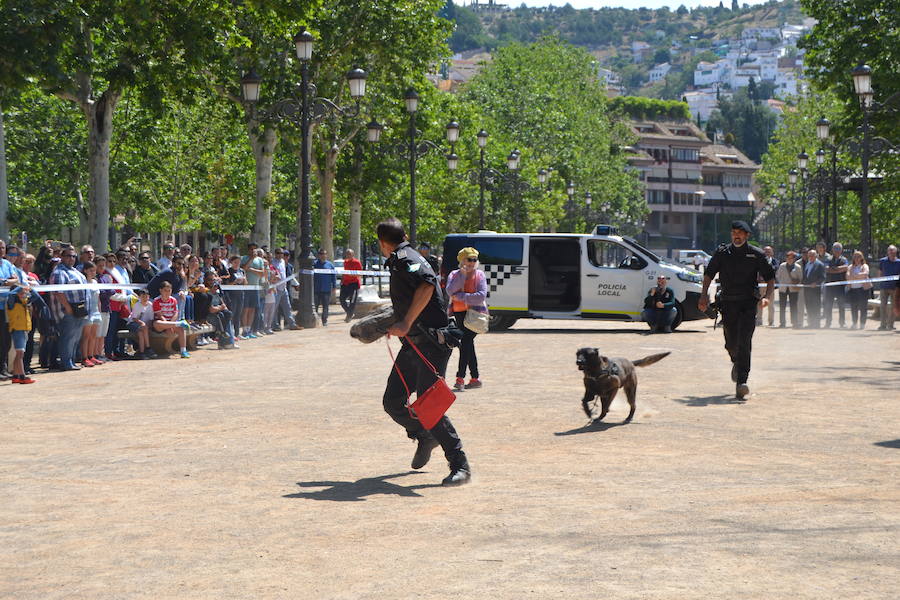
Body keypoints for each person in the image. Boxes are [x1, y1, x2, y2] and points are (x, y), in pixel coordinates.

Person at [377, 218, 471, 486]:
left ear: (383, 243)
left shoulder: (406, 257)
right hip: (414, 344)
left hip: (432, 343)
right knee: (393, 401)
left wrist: (405, 323)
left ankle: (460, 464)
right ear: (404, 234)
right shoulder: (401, 257)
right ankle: (424, 433)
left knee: (429, 403)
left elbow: (427, 285)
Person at [697, 221, 774, 399]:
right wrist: (703, 295)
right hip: (728, 303)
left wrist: (767, 297)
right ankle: (735, 360)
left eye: (740, 233)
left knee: (745, 341)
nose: (736, 235)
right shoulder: (722, 253)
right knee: (731, 343)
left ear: (747, 235)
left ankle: (742, 382)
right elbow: (709, 274)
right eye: (733, 232)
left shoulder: (756, 254)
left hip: (748, 304)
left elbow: (770, 278)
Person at [446, 246, 488, 391]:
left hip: (475, 315)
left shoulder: (480, 275)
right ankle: (474, 378)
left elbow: (481, 295)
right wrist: (462, 275)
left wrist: (462, 297)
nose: (472, 262)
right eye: (469, 259)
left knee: (465, 343)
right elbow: (450, 291)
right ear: (462, 260)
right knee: (467, 344)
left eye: (474, 259)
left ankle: (460, 378)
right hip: (459, 314)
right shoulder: (454, 274)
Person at [49, 247, 89, 371]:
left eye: (73, 256)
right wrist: (68, 307)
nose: (71, 258)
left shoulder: (76, 271)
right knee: (67, 338)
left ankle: (71, 361)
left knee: (75, 338)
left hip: (79, 310)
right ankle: (66, 363)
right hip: (66, 311)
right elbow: (58, 292)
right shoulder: (59, 272)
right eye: (68, 256)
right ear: (62, 257)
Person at [6, 281, 35, 383]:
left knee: (19, 354)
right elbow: (11, 295)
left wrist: (30, 289)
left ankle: (16, 375)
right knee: (20, 354)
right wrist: (18, 289)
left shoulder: (24, 302)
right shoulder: (11, 302)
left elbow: (35, 297)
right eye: (21, 293)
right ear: (16, 293)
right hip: (17, 330)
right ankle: (22, 376)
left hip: (24, 329)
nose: (24, 295)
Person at [152, 281, 191, 358]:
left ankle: (183, 351)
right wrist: (169, 326)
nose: (167, 292)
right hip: (162, 324)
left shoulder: (173, 300)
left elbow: (175, 313)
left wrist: (171, 325)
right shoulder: (156, 300)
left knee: (181, 329)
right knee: (157, 323)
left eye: (169, 290)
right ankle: (178, 323)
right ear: (161, 290)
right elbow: (160, 315)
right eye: (165, 290)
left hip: (172, 323)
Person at [823, 242, 848, 328]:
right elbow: (826, 269)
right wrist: (838, 269)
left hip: (841, 286)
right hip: (830, 286)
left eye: (838, 249)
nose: (837, 251)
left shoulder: (844, 259)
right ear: (832, 250)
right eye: (835, 249)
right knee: (828, 305)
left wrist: (833, 269)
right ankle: (828, 323)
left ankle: (842, 323)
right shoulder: (828, 259)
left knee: (841, 305)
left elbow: (846, 268)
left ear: (841, 250)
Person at [775, 250, 803, 328]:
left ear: (794, 259)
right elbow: (778, 276)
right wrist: (782, 282)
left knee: (794, 306)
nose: (789, 259)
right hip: (783, 288)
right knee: (782, 306)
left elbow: (800, 278)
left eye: (791, 258)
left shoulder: (798, 267)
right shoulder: (782, 266)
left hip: (793, 289)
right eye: (788, 257)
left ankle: (794, 322)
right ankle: (782, 322)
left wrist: (795, 283)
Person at [846, 250, 871, 330]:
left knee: (863, 307)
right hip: (853, 290)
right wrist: (857, 276)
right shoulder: (850, 267)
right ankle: (854, 323)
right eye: (855, 256)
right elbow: (847, 277)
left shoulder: (865, 266)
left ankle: (862, 324)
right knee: (854, 307)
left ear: (861, 258)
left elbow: (865, 274)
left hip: (863, 290)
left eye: (858, 256)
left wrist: (854, 276)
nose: (856, 258)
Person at [802, 248, 826, 328]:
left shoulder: (820, 265)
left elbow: (823, 277)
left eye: (812, 255)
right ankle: (810, 323)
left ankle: (816, 324)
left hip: (815, 290)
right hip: (807, 290)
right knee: (809, 307)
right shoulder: (807, 264)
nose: (810, 257)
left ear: (816, 256)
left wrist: (816, 283)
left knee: (816, 307)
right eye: (809, 256)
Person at [128, 288, 156, 358]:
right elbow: (134, 318)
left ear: (149, 297)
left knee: (141, 333)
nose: (145, 298)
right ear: (139, 297)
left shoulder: (150, 305)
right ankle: (148, 347)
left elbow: (151, 319)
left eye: (146, 296)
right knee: (144, 327)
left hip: (144, 325)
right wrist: (142, 324)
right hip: (132, 323)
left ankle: (141, 352)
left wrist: (148, 325)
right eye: (143, 296)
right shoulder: (137, 305)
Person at [313, 249, 337, 326]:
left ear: (326, 255)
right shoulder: (314, 264)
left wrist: (334, 286)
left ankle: (324, 320)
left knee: (325, 306)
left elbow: (334, 276)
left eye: (324, 254)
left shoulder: (330, 265)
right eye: (321, 254)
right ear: (319, 255)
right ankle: (314, 320)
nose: (323, 255)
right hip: (316, 289)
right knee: (315, 306)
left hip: (326, 289)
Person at [878, 245, 899, 330]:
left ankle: (890, 325)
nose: (891, 252)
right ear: (887, 252)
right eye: (890, 251)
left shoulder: (899, 262)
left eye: (893, 251)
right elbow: (880, 272)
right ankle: (882, 325)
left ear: (896, 252)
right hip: (884, 287)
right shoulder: (882, 261)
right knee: (883, 306)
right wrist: (880, 281)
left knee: (894, 306)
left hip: (895, 288)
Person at [756, 246, 778, 326]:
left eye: (769, 251)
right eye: (765, 251)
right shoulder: (759, 261)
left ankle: (771, 321)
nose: (767, 253)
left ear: (772, 252)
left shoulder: (775, 261)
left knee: (771, 304)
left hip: (771, 286)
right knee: (759, 303)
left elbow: (775, 269)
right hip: (761, 285)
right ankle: (759, 320)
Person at [340, 248, 363, 322]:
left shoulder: (357, 262)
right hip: (345, 283)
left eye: (349, 254)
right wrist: (342, 280)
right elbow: (344, 272)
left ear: (353, 255)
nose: (348, 255)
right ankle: (349, 313)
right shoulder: (345, 262)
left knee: (352, 301)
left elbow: (360, 274)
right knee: (341, 300)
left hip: (354, 284)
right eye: (347, 254)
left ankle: (349, 316)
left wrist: (351, 275)